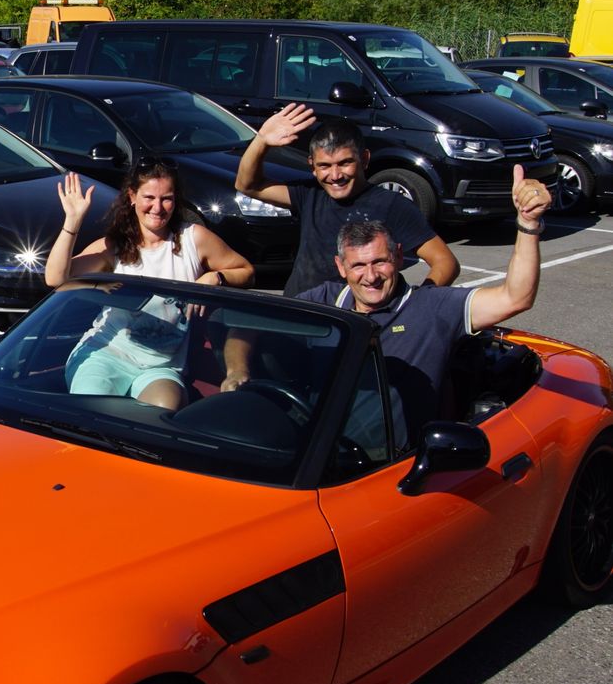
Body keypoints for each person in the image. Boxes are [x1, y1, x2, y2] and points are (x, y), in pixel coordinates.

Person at [294, 164, 550, 438]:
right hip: (317, 449)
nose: (371, 276)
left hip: (389, 464)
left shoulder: (432, 307)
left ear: (399, 257)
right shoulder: (323, 300)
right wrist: (241, 364)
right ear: (341, 267)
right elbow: (260, 325)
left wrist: (528, 225)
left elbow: (515, 297)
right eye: (358, 265)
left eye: (380, 262)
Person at [46, 158, 254, 409]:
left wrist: (216, 277)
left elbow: (246, 271)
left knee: (162, 412)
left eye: (166, 198)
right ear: (132, 196)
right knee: (92, 414)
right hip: (107, 354)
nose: (158, 207)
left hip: (162, 365)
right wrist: (72, 221)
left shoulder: (193, 238)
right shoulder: (116, 245)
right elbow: (56, 279)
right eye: (149, 198)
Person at [236, 104, 459, 296]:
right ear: (312, 166)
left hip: (353, 323)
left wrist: (418, 302)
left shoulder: (391, 204)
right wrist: (261, 141)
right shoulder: (310, 194)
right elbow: (247, 185)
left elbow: (445, 262)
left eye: (344, 163)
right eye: (324, 166)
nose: (335, 175)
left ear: (364, 159)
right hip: (303, 311)